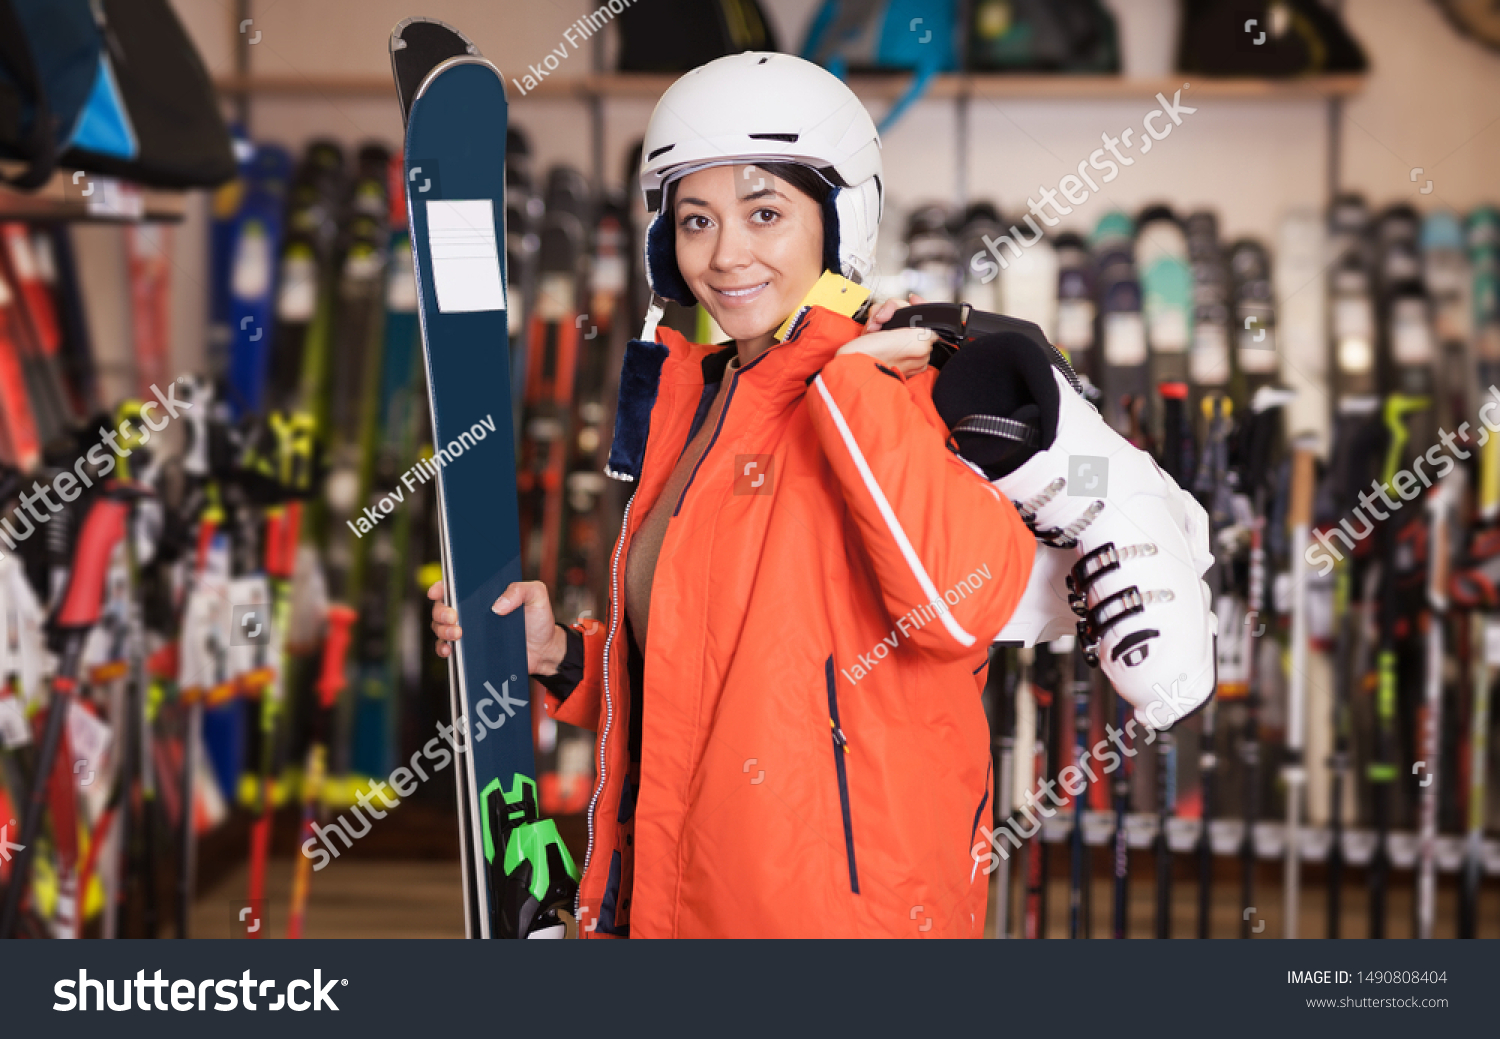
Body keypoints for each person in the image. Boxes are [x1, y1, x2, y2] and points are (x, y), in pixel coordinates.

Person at [429, 52, 1033, 937]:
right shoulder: (695, 402)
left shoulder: (907, 390)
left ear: (838, 223)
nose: (725, 255)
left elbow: (959, 606)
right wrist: (561, 653)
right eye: (695, 220)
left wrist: (859, 385)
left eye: (765, 213)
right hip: (675, 906)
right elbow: (704, 686)